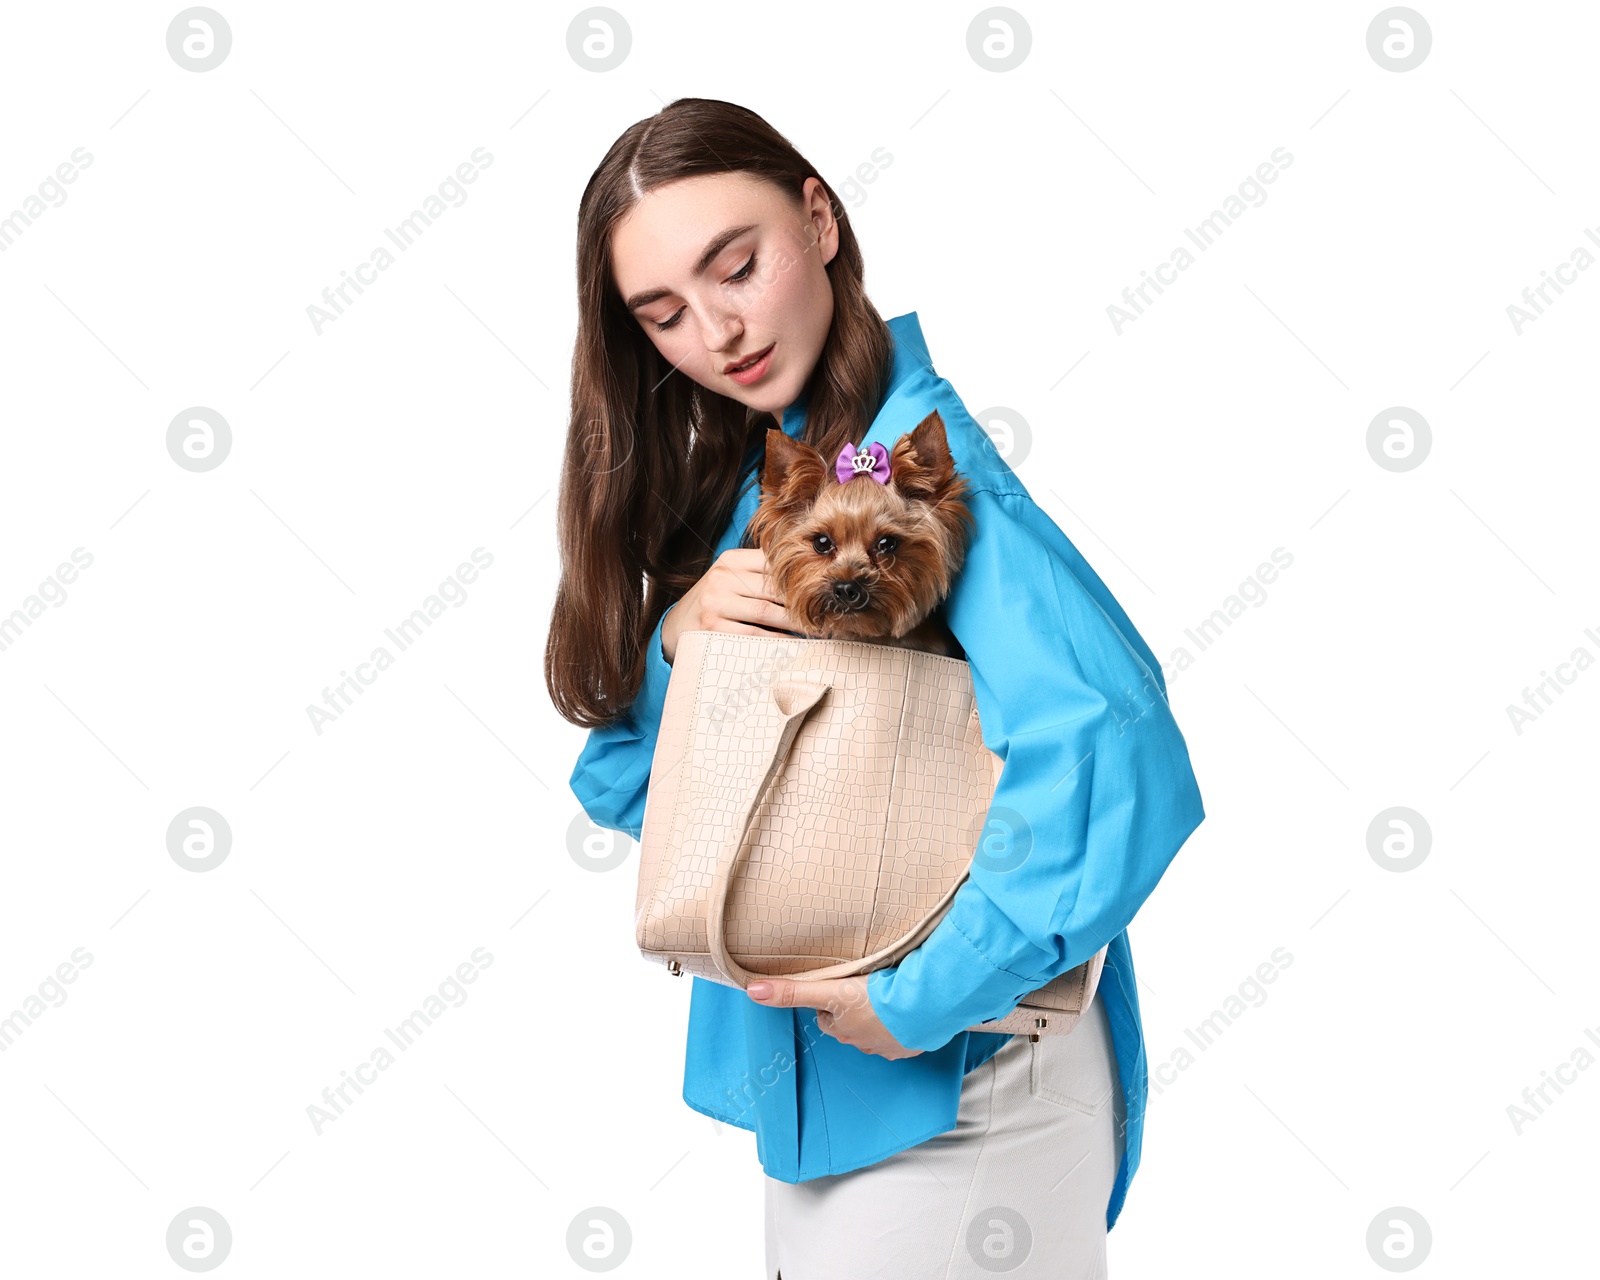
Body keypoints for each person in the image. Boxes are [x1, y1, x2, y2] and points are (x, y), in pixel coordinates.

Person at [548, 97, 1205, 1278]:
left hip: (960, 1088)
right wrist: (678, 641)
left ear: (820, 218)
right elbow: (627, 789)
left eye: (737, 265)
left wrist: (924, 993)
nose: (718, 328)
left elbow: (1118, 749)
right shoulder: (770, 478)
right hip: (836, 1090)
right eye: (664, 314)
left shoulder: (925, 478)